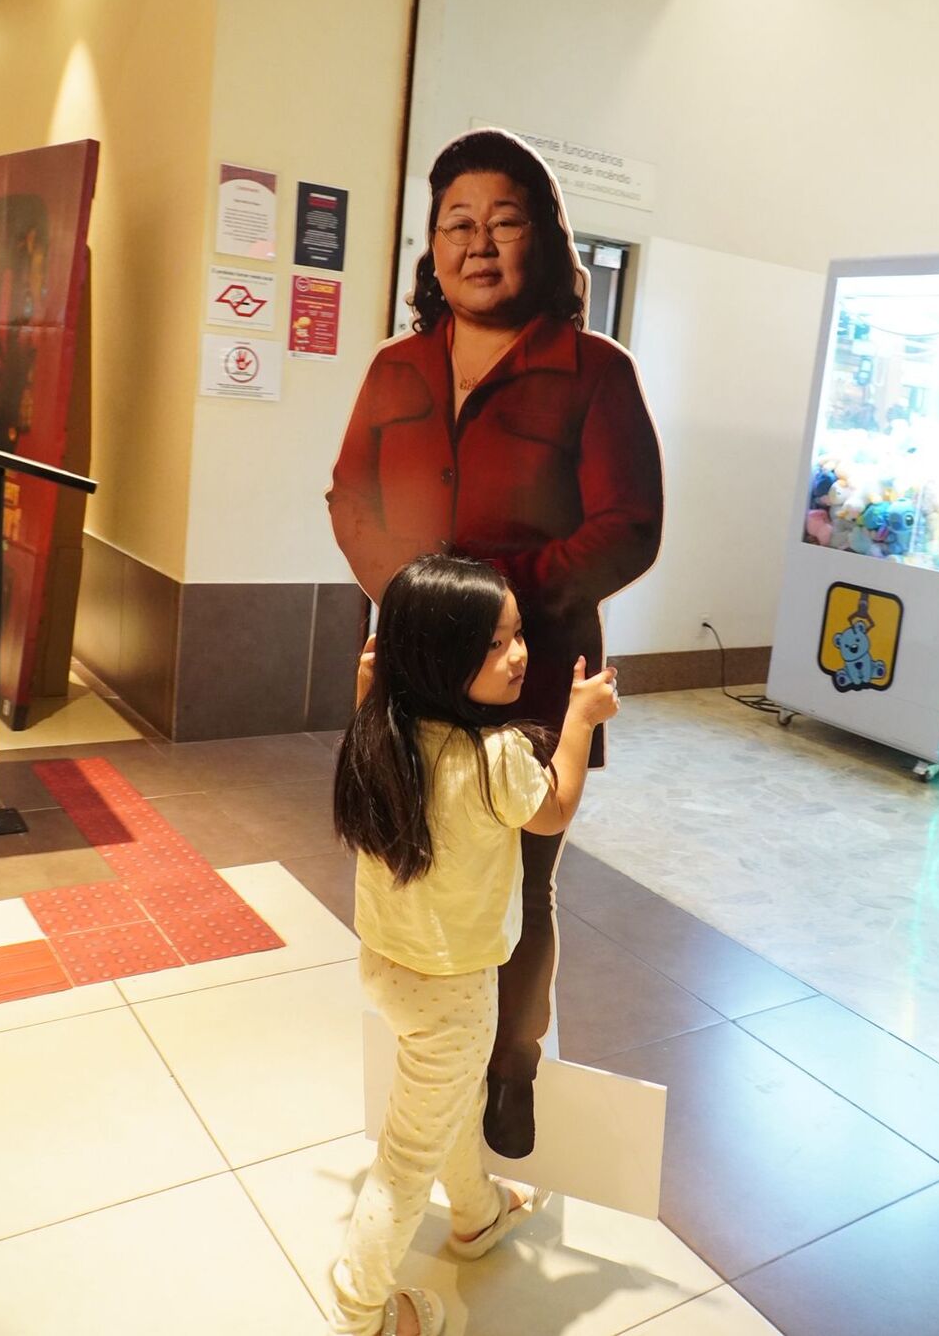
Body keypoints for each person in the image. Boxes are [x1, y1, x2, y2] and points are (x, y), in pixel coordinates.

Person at [327, 128, 663, 1156]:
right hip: (420, 670)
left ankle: (511, 1069)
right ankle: (432, 1040)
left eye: (503, 223)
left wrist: (497, 606)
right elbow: (353, 498)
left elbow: (629, 525)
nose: (478, 245)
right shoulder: (397, 365)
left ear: (547, 239)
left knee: (521, 876)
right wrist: (427, 611)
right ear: (430, 247)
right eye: (455, 225)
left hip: (535, 668)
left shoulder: (595, 371)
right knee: (416, 855)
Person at [327, 553, 620, 1336]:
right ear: (442, 658)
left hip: (387, 966)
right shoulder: (495, 762)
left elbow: (373, 699)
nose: (519, 653)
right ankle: (360, 1311)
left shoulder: (376, 737)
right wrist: (581, 720)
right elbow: (552, 810)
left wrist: (371, 684)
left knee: (443, 1099)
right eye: (496, 643)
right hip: (454, 990)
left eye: (518, 634)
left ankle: (478, 1212)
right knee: (402, 1163)